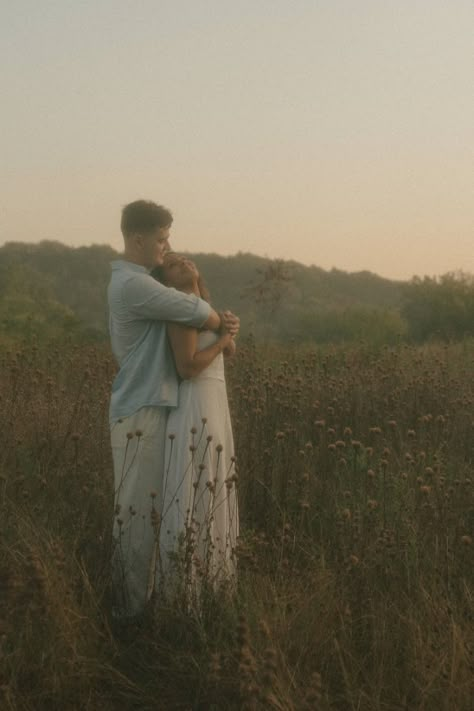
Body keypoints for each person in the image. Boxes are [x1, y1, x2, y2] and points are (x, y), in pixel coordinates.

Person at [108, 200, 239, 618]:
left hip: (154, 407)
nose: (167, 247)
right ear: (139, 239)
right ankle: (127, 615)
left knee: (153, 513)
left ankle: (147, 608)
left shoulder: (141, 283)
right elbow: (196, 310)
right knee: (135, 519)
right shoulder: (134, 285)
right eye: (162, 239)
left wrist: (217, 326)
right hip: (140, 410)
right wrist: (225, 326)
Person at [151, 253, 239, 602]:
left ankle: (215, 583)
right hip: (195, 405)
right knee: (195, 486)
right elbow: (187, 367)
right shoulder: (181, 309)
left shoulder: (202, 307)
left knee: (215, 482)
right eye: (173, 264)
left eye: (185, 258)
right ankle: (185, 592)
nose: (183, 261)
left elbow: (229, 350)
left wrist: (223, 328)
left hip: (215, 405)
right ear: (167, 282)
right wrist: (222, 336)